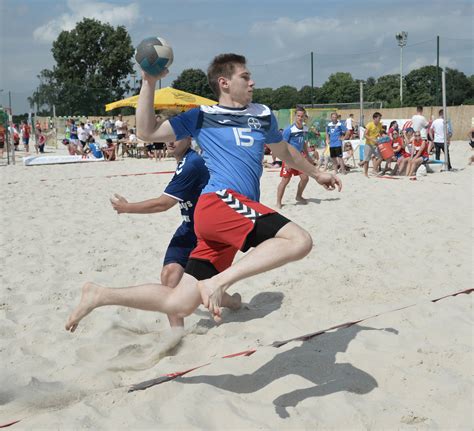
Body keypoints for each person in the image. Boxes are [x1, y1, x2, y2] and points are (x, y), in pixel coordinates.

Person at [66, 53, 341, 333]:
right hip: (220, 202)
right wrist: (149, 81)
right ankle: (219, 283)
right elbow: (147, 132)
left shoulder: (262, 115)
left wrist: (317, 173)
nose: (252, 82)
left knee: (179, 303)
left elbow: (285, 152)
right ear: (224, 82)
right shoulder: (202, 116)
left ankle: (101, 295)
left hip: (228, 218)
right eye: (245, 77)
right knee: (299, 240)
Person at [110, 136, 240, 327]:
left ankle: (234, 303)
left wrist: (128, 207)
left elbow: (163, 204)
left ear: (189, 139)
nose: (171, 142)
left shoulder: (191, 164)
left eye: (177, 137)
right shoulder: (185, 161)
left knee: (204, 286)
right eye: (168, 137)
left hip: (207, 234)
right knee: (169, 275)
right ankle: (176, 335)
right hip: (189, 228)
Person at [276, 106, 310, 209]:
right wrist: (286, 162)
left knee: (305, 178)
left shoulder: (305, 128)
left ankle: (298, 196)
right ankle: (278, 202)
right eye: (298, 116)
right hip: (289, 158)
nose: (300, 118)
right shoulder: (288, 129)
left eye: (302, 116)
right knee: (285, 181)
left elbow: (303, 143)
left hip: (299, 158)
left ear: (304, 117)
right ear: (295, 116)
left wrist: (308, 155)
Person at [361, 112, 383, 178]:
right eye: (379, 118)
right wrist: (372, 139)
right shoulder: (370, 125)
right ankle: (366, 173)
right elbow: (365, 135)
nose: (380, 119)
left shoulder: (379, 124)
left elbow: (379, 133)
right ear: (374, 118)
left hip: (376, 144)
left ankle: (374, 169)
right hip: (368, 144)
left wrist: (380, 137)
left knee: (380, 157)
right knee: (367, 160)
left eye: (380, 118)